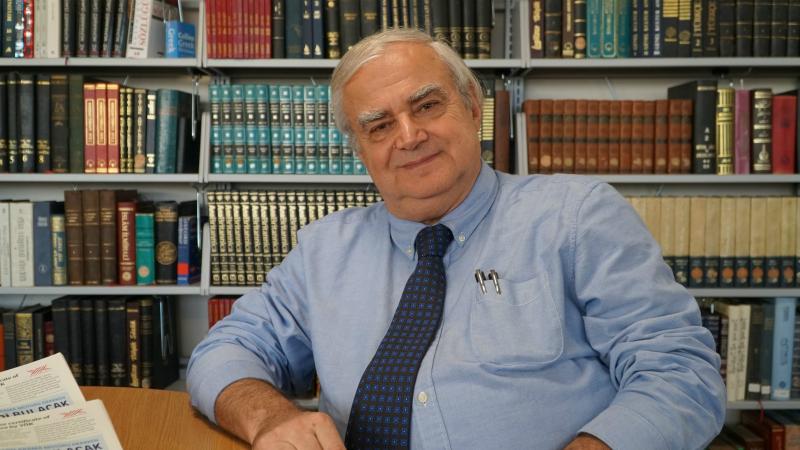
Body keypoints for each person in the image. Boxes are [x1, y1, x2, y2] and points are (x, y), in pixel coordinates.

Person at [187, 29, 726, 450]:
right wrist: (269, 417)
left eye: (426, 106)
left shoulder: (576, 217)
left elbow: (681, 374)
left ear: (472, 105)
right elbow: (224, 351)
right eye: (379, 126)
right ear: (361, 149)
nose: (409, 136)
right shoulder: (323, 251)